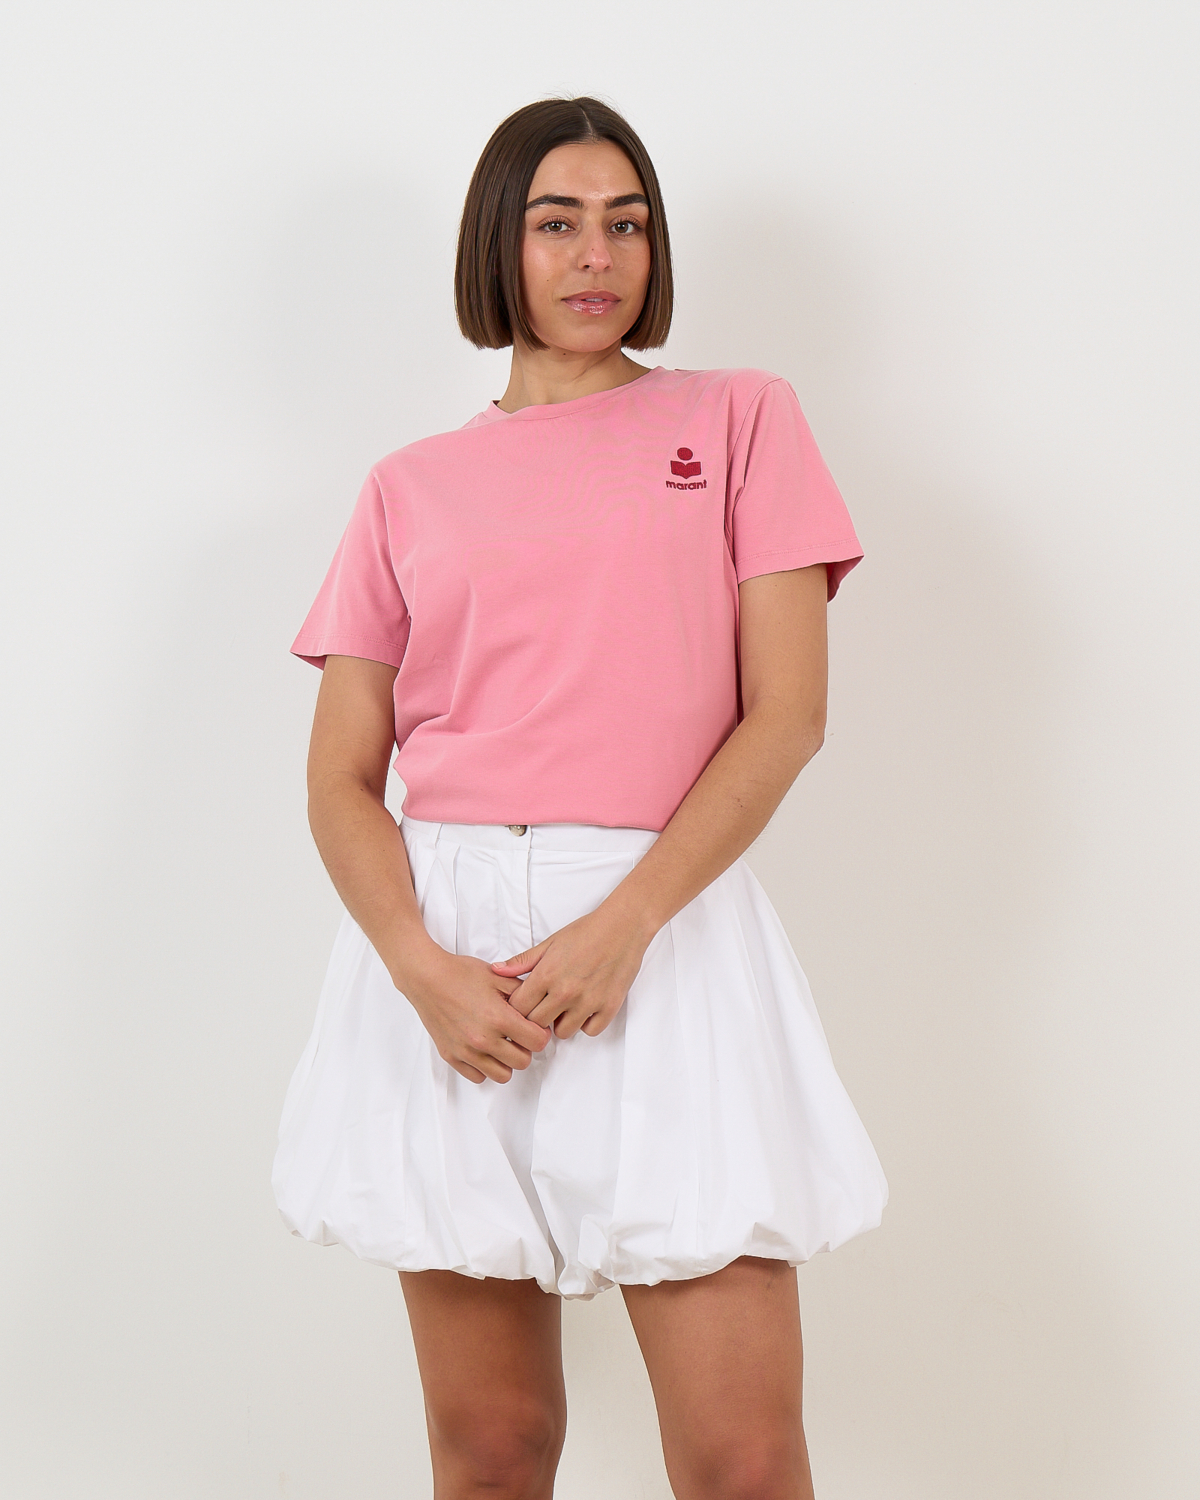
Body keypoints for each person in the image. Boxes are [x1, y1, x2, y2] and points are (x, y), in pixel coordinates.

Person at [273, 95, 887, 1500]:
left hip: (661, 932)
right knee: (492, 1449)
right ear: (498, 244)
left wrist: (627, 925)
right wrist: (418, 966)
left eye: (628, 223)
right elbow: (340, 777)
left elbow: (788, 716)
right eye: (557, 223)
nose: (596, 255)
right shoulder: (407, 487)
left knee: (743, 1458)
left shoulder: (739, 417)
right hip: (450, 960)